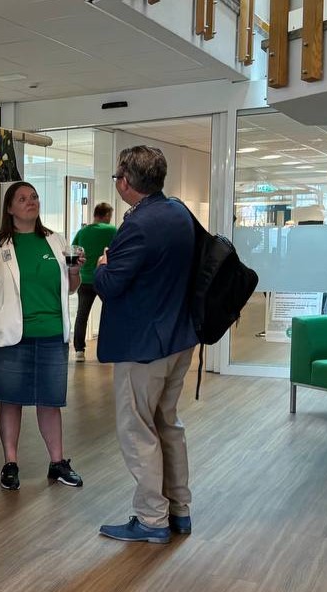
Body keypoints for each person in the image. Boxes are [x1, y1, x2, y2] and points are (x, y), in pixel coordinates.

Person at [95, 146, 198, 544]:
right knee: (167, 423)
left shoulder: (137, 225)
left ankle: (152, 519)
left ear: (125, 182)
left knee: (137, 430)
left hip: (144, 346)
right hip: (178, 338)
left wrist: (102, 266)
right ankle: (179, 510)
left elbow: (110, 285)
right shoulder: (178, 212)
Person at [0, 182, 84, 491]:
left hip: (51, 333)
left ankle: (57, 463)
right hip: (10, 336)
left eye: (33, 197)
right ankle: (10, 463)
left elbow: (70, 288)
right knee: (11, 400)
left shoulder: (56, 241)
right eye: (22, 199)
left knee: (50, 401)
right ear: (10, 208)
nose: (30, 202)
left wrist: (75, 272)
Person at [70, 202, 118, 361]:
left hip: (85, 279)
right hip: (105, 278)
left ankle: (79, 351)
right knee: (112, 313)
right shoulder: (112, 230)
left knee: (82, 315)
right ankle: (111, 347)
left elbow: (73, 250)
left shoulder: (82, 231)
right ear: (107, 215)